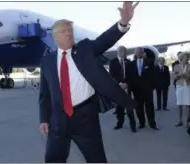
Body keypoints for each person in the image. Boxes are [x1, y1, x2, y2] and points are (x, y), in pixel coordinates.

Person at [38, 2, 139, 163]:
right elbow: (45, 94)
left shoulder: (85, 49)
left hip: (85, 118)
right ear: (55, 37)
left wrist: (123, 23)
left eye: (70, 30)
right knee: (52, 159)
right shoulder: (47, 61)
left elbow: (105, 40)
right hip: (57, 120)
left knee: (96, 159)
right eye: (64, 31)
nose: (69, 34)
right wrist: (44, 119)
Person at [123, 47, 159, 130]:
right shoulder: (130, 64)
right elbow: (128, 77)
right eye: (137, 52)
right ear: (135, 53)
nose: (139, 53)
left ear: (143, 53)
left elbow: (154, 76)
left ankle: (152, 124)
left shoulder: (149, 62)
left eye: (140, 52)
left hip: (147, 90)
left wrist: (152, 87)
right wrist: (128, 86)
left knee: (149, 107)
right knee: (139, 108)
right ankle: (141, 123)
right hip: (137, 90)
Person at [109, 46, 136, 132]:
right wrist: (120, 84)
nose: (122, 52)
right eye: (120, 51)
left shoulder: (128, 62)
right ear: (117, 52)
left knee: (129, 108)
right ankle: (119, 123)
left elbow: (131, 75)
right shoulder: (112, 62)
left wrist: (127, 84)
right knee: (119, 108)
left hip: (127, 88)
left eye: (124, 51)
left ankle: (133, 126)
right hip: (118, 87)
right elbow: (111, 75)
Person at [173, 52, 190, 127]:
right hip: (180, 86)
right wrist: (178, 76)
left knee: (188, 104)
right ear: (182, 58)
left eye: (188, 57)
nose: (188, 59)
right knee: (179, 104)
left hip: (188, 86)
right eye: (186, 57)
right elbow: (173, 77)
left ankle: (187, 121)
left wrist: (188, 76)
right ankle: (180, 121)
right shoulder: (176, 66)